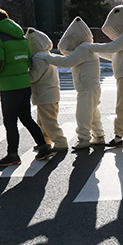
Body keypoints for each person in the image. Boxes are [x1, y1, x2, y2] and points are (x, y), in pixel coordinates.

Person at [0, 8, 51, 166]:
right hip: (25, 85)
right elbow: (28, 61)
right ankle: (44, 147)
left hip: (9, 87)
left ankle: (13, 155)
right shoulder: (22, 38)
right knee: (26, 117)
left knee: (10, 122)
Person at [35, 17, 104, 150]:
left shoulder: (84, 48)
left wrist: (46, 57)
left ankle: (84, 139)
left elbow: (67, 62)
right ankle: (99, 136)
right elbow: (69, 59)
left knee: (83, 114)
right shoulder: (86, 47)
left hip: (87, 88)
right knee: (92, 112)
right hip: (91, 87)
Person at [82, 5, 123, 148]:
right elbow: (112, 54)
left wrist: (90, 46)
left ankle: (118, 137)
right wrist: (94, 50)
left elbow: (112, 48)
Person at [26, 28, 68, 151]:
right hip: (50, 94)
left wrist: (24, 74)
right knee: (43, 121)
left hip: (45, 95)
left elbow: (33, 77)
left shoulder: (39, 58)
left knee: (49, 122)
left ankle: (60, 142)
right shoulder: (48, 55)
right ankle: (45, 141)